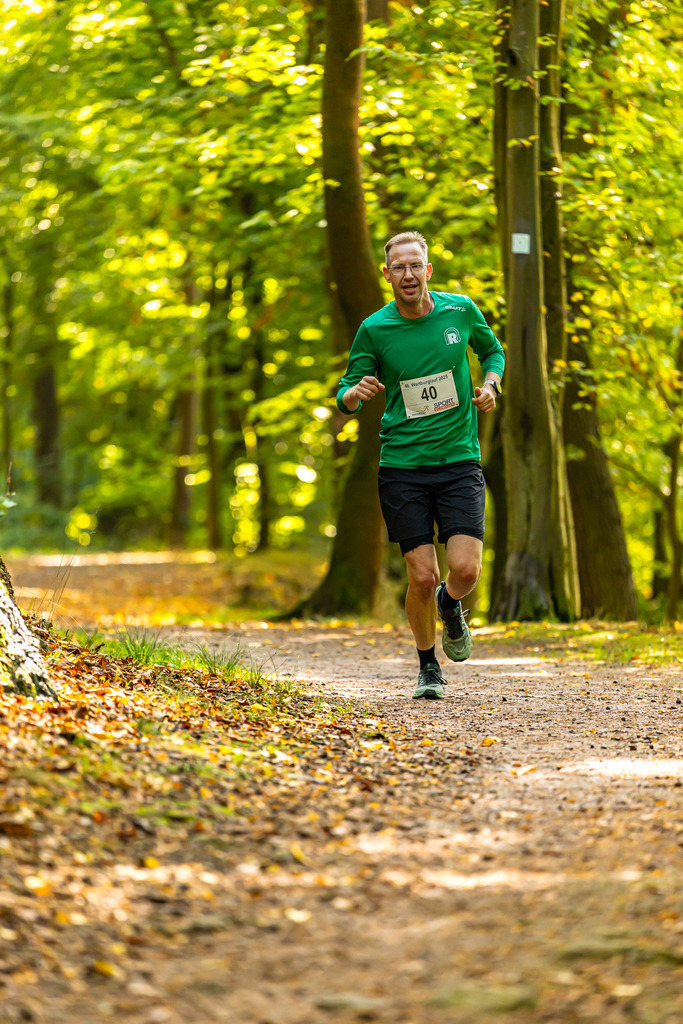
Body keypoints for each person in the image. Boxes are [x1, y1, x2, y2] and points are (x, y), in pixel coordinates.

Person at [336, 231, 505, 700]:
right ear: (387, 274)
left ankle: (450, 606)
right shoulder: (375, 328)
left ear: (428, 270)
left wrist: (491, 383)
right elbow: (346, 389)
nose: (408, 275)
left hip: (458, 461)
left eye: (416, 266)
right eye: (399, 268)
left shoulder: (460, 311)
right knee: (422, 574)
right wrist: (353, 395)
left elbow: (493, 351)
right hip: (403, 467)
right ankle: (428, 666)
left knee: (465, 570)